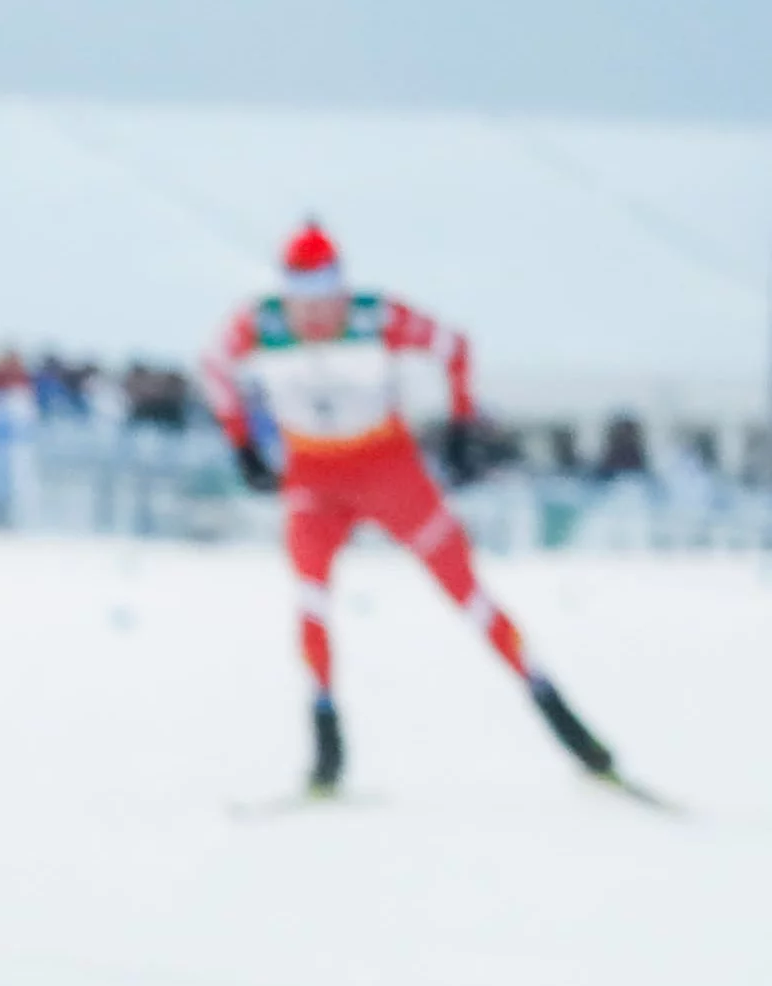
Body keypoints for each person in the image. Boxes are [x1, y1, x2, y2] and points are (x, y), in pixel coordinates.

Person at [197, 223, 617, 795]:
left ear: (341, 287)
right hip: (313, 476)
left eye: (325, 293)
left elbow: (453, 346)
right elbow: (214, 367)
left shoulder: (377, 317)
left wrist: (462, 425)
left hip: (387, 467)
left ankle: (560, 715)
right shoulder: (260, 324)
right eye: (302, 296)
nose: (315, 312)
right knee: (310, 599)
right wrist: (241, 443)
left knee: (467, 593)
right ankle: (326, 742)